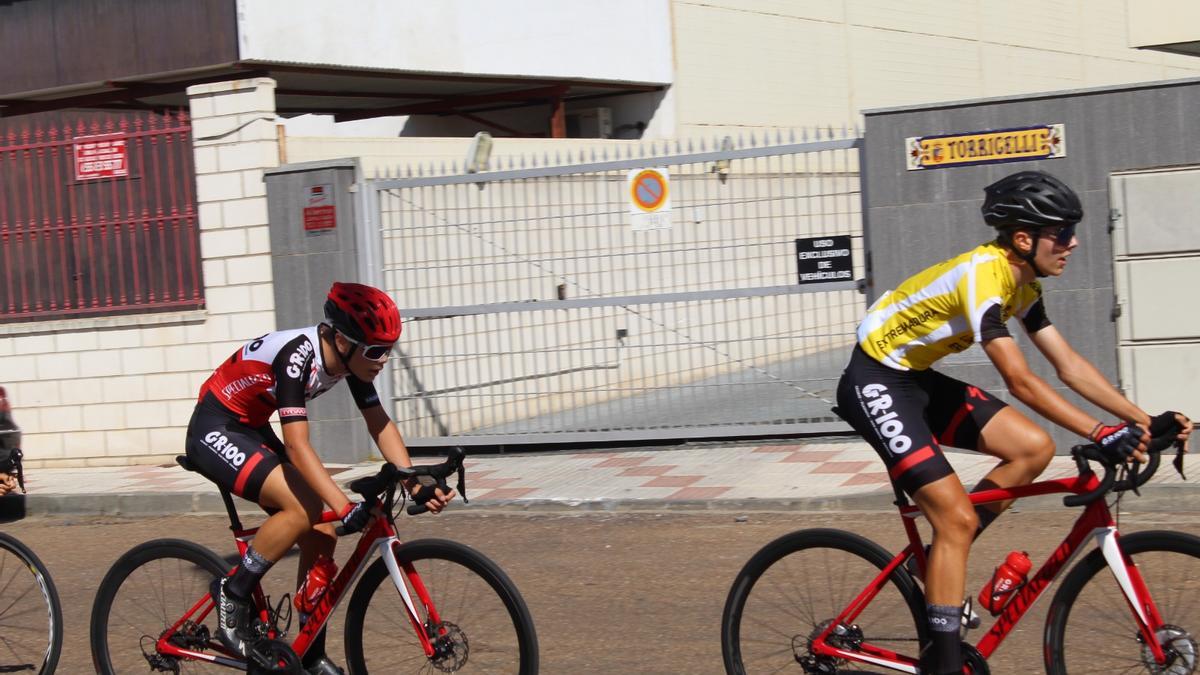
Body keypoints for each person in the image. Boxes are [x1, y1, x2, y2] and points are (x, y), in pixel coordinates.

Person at [834, 170, 1192, 675]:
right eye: (1062, 233)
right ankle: (943, 659)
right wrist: (1099, 432)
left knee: (1033, 449)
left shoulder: (1023, 285)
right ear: (1024, 239)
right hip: (873, 379)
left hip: (914, 378)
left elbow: (1066, 364)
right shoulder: (985, 275)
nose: (1072, 242)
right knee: (956, 517)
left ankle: (936, 558)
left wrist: (1139, 418)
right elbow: (1020, 380)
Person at [185, 282, 454, 675]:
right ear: (343, 340)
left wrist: (414, 482)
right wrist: (341, 505)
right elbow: (297, 445)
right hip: (215, 427)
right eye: (377, 351)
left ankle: (309, 655)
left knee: (322, 534)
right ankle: (233, 591)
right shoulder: (298, 355)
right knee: (305, 508)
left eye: (389, 350)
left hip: (250, 427)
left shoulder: (352, 361)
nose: (383, 360)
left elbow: (379, 424)